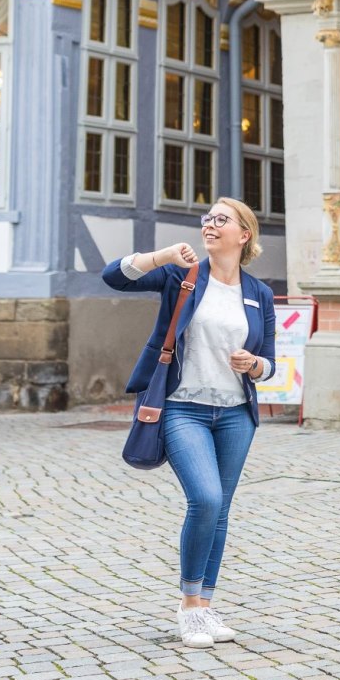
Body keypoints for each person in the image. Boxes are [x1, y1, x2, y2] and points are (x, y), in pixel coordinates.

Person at [104, 198, 278, 649]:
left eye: (223, 219)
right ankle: (187, 606)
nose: (211, 225)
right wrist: (161, 256)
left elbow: (273, 363)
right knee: (205, 497)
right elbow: (113, 276)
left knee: (220, 510)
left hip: (236, 413)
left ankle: (206, 604)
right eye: (208, 218)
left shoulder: (257, 293)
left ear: (244, 235)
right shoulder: (183, 275)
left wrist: (255, 364)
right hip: (183, 407)